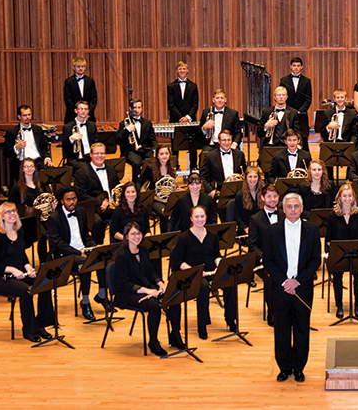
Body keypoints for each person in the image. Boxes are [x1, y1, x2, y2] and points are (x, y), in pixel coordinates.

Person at [263, 193, 321, 383]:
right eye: (289, 207)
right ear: (284, 209)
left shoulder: (312, 230)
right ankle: (284, 367)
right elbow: (268, 261)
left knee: (302, 328)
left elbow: (315, 261)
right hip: (280, 288)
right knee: (281, 328)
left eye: (296, 206)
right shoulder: (273, 231)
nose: (293, 210)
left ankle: (299, 367)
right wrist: (285, 282)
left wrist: (298, 281)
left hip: (302, 287)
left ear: (302, 208)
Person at [168, 205, 237, 345]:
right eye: (197, 217)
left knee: (230, 282)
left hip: (211, 271)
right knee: (203, 287)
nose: (200, 219)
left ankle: (231, 319)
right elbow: (178, 262)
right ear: (191, 219)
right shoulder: (184, 238)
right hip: (193, 274)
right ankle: (202, 325)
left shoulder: (212, 236)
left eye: (202, 216)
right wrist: (196, 272)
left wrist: (221, 265)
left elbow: (216, 256)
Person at [0, 202, 54, 342]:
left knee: (44, 282)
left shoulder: (19, 232)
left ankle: (40, 325)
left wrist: (28, 267)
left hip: (18, 275)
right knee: (26, 290)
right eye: (8, 212)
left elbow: (22, 256)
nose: (12, 214)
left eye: (14, 211)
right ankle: (29, 330)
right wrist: (12, 269)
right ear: (2, 216)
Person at [114, 222, 167, 356]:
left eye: (139, 233)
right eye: (133, 234)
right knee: (154, 306)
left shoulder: (143, 250)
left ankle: (175, 336)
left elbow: (150, 271)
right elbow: (125, 284)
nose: (137, 236)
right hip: (126, 294)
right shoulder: (121, 256)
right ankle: (153, 342)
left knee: (171, 296)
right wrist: (148, 291)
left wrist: (160, 283)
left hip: (143, 288)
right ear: (126, 236)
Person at [46, 187, 97, 321]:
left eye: (74, 199)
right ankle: (85, 302)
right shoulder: (54, 218)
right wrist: (78, 252)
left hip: (81, 251)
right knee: (86, 263)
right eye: (68, 199)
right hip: (64, 255)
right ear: (62, 201)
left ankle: (102, 295)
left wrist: (93, 246)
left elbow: (85, 234)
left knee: (102, 257)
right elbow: (57, 244)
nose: (72, 202)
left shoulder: (80, 212)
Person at [326, 184, 358, 318]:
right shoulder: (333, 216)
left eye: (350, 195)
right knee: (337, 275)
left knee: (357, 274)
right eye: (344, 196)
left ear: (354, 197)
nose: (347, 198)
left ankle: (357, 305)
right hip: (339, 255)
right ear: (339, 198)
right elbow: (328, 239)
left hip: (356, 255)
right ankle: (339, 305)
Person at [248, 184, 282, 326]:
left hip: (282, 258)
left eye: (275, 196)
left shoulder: (284, 214)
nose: (272, 199)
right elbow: (252, 245)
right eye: (269, 196)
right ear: (262, 198)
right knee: (270, 278)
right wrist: (264, 258)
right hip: (263, 260)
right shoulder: (255, 219)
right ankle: (272, 312)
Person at [73, 142, 120, 244]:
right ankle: (98, 251)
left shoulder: (111, 169)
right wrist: (99, 203)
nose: (100, 156)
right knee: (97, 223)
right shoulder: (81, 172)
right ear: (91, 155)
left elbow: (117, 188)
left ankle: (116, 248)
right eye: (96, 153)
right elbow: (81, 195)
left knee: (123, 215)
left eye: (102, 153)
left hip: (111, 206)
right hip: (92, 209)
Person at [4, 105, 53, 182]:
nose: (28, 117)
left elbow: (43, 147)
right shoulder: (12, 132)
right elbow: (6, 152)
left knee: (52, 172)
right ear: (19, 117)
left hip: (37, 161)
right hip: (22, 163)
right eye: (24, 115)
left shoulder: (38, 129)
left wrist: (47, 158)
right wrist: (16, 147)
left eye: (29, 115)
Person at [167, 60, 200, 169]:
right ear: (177, 71)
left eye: (184, 68)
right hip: (176, 120)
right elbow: (171, 105)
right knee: (175, 145)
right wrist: (180, 118)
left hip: (190, 120)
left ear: (187, 71)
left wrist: (188, 117)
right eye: (180, 69)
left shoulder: (193, 86)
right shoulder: (171, 86)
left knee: (192, 145)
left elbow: (195, 104)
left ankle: (193, 166)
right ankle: (175, 167)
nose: (182, 70)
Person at [116, 99, 157, 181]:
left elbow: (152, 138)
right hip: (131, 150)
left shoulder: (147, 123)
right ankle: (136, 184)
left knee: (153, 162)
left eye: (139, 107)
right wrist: (127, 130)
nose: (137, 110)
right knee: (137, 163)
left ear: (142, 109)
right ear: (130, 109)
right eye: (134, 107)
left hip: (145, 149)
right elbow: (118, 140)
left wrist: (155, 149)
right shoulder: (124, 123)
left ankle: (150, 184)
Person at [199, 130, 246, 198]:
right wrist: (211, 191)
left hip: (237, 192)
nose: (226, 143)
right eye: (224, 140)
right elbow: (203, 177)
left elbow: (245, 174)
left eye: (229, 140)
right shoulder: (210, 156)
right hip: (219, 192)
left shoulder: (239, 154)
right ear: (219, 141)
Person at [198, 89, 242, 162]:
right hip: (211, 145)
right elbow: (198, 134)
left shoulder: (233, 113)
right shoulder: (206, 112)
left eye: (222, 98)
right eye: (217, 98)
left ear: (225, 100)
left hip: (227, 144)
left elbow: (238, 132)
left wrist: (234, 143)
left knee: (238, 155)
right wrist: (204, 128)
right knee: (204, 156)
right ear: (213, 100)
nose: (219, 100)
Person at [138, 143, 177, 226]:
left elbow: (172, 184)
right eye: (161, 154)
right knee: (163, 213)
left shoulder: (171, 168)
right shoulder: (150, 168)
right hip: (155, 199)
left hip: (168, 198)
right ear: (157, 156)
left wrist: (176, 190)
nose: (164, 156)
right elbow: (139, 182)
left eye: (166, 153)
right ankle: (164, 235)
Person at [279, 56, 312, 143]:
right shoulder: (284, 80)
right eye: (294, 65)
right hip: (288, 113)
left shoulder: (307, 81)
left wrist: (300, 111)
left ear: (301, 67)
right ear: (290, 66)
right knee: (287, 134)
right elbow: (281, 97)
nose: (296, 67)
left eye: (298, 65)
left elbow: (308, 99)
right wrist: (290, 110)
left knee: (303, 136)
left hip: (302, 114)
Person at [229, 166, 264, 237]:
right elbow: (237, 216)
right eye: (250, 177)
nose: (253, 179)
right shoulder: (240, 195)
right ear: (246, 178)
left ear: (259, 178)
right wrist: (245, 228)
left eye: (255, 177)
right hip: (245, 230)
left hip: (261, 228)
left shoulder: (264, 192)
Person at [61, 100, 96, 167]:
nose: (83, 111)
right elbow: (65, 148)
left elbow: (96, 142)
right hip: (75, 158)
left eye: (85, 109)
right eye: (81, 109)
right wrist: (71, 139)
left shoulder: (92, 126)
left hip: (90, 156)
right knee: (85, 168)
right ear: (76, 111)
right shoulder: (68, 127)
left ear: (88, 111)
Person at [63, 56, 98, 123]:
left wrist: (87, 113)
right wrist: (78, 113)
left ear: (85, 68)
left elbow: (94, 98)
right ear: (73, 68)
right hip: (72, 116)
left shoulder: (90, 81)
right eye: (78, 66)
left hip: (88, 116)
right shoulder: (68, 82)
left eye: (82, 66)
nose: (80, 68)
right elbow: (68, 100)